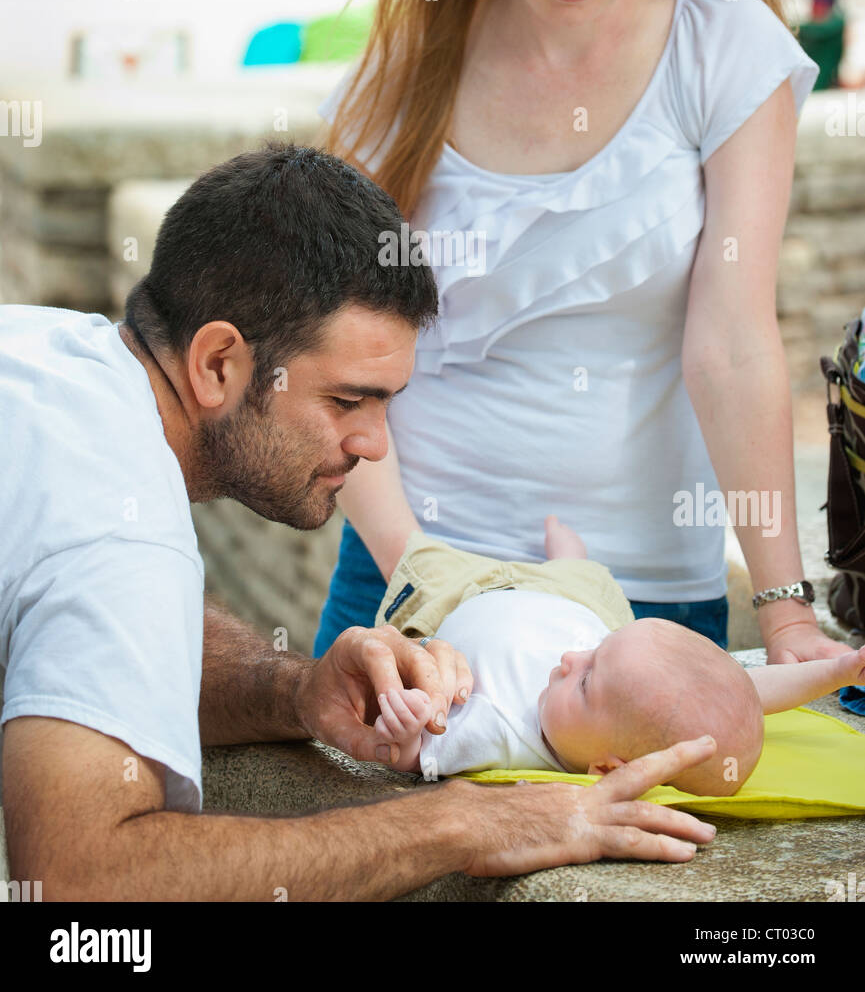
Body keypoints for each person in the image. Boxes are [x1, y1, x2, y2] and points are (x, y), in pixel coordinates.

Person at [0, 143, 720, 901]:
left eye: (386, 404)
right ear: (219, 364)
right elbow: (79, 884)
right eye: (346, 402)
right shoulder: (119, 530)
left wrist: (297, 692)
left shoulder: (46, 354)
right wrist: (461, 826)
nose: (374, 444)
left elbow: (103, 647)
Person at [316, 0, 849, 669]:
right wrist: (428, 578)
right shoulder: (407, 61)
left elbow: (731, 342)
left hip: (643, 598)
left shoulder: (726, 52)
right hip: (406, 578)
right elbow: (331, 342)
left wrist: (783, 612)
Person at [369, 519, 865, 791]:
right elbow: (746, 689)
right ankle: (571, 560)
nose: (569, 661)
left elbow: (419, 757)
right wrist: (837, 671)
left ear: (607, 769)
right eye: (592, 657)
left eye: (585, 684)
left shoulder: (501, 733)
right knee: (590, 586)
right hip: (572, 601)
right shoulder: (612, 671)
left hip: (466, 597)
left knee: (427, 564)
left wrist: (407, 727)